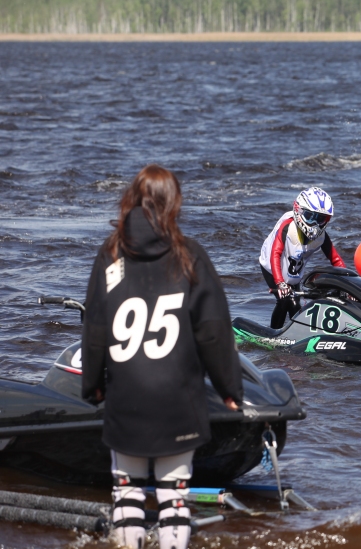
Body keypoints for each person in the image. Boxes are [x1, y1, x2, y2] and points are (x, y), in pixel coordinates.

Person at [82, 165, 243, 549]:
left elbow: (95, 328)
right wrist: (229, 389)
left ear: (131, 200)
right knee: (174, 496)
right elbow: (214, 332)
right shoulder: (189, 256)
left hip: (126, 399)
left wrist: (93, 387)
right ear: (174, 205)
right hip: (178, 400)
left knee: (128, 492)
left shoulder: (111, 254)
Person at [259, 187, 346, 328]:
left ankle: (295, 333)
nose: (314, 224)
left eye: (321, 219)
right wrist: (280, 283)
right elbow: (275, 254)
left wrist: (348, 284)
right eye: (310, 216)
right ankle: (274, 333)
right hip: (271, 267)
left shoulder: (321, 237)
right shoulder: (287, 228)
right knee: (285, 300)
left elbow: (336, 260)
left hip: (293, 272)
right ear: (298, 211)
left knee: (295, 305)